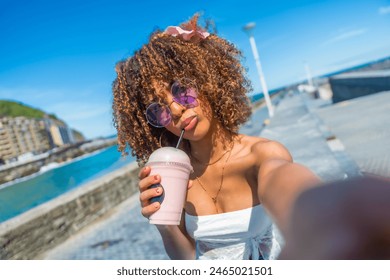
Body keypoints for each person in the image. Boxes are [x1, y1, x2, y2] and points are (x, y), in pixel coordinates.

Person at [112, 14, 320, 260]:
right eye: (158, 108)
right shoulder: (176, 176)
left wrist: (324, 205)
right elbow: (188, 260)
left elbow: (287, 182)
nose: (176, 110)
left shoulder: (263, 155)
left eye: (180, 90)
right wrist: (165, 226)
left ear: (206, 81)